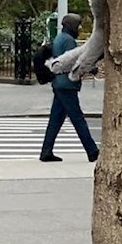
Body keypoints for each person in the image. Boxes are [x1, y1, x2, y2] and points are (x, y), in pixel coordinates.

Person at [39, 13, 99, 163]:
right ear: (71, 26)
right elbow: (74, 61)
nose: (79, 28)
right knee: (78, 119)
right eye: (77, 25)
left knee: (56, 119)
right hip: (67, 84)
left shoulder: (60, 38)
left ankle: (46, 151)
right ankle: (92, 151)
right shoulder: (68, 41)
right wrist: (90, 68)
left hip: (59, 84)